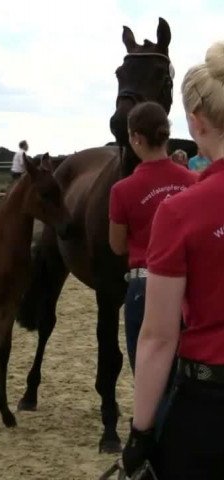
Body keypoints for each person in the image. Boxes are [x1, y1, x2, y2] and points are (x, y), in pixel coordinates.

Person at [122, 41, 224, 479]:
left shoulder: (181, 211)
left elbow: (158, 337)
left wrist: (141, 432)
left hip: (210, 405)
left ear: (196, 123)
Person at [109, 101, 196, 373]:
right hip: (188, 285)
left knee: (149, 374)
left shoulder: (122, 190)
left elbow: (117, 245)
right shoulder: (192, 182)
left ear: (135, 138)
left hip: (145, 285)